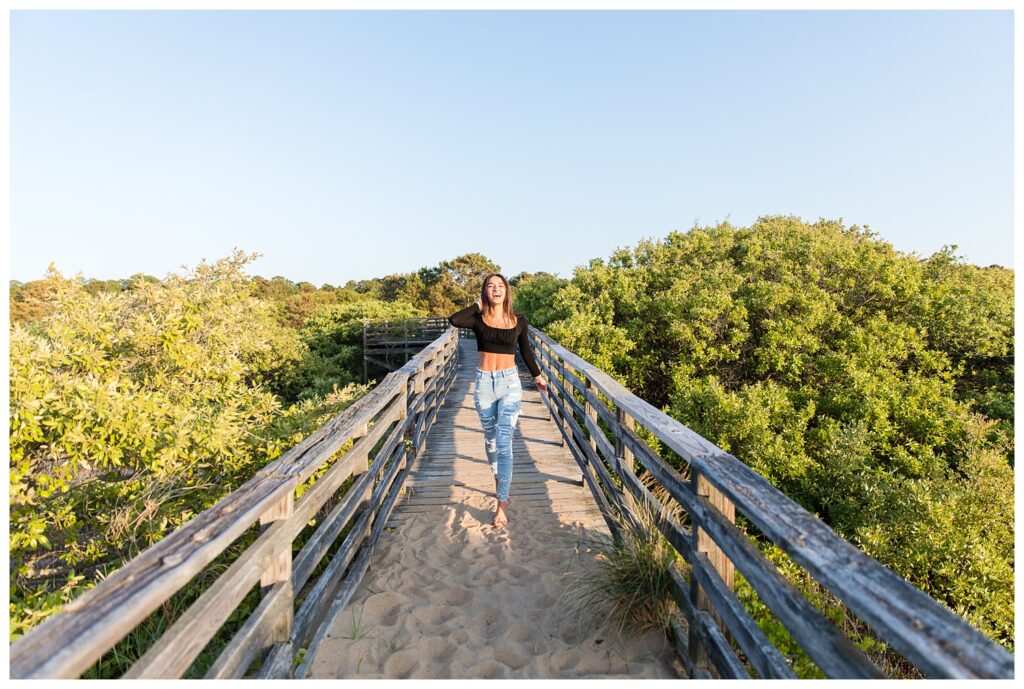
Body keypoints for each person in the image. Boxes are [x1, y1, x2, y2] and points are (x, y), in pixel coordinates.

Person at [448, 273, 547, 528]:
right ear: (484, 292)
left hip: (510, 384)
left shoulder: (518, 320)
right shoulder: (477, 319)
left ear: (507, 291)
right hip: (483, 384)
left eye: (500, 285)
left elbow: (525, 351)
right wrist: (477, 305)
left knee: (504, 441)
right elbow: (454, 320)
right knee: (491, 441)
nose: (496, 289)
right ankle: (498, 479)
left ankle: (501, 504)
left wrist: (537, 376)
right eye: (490, 286)